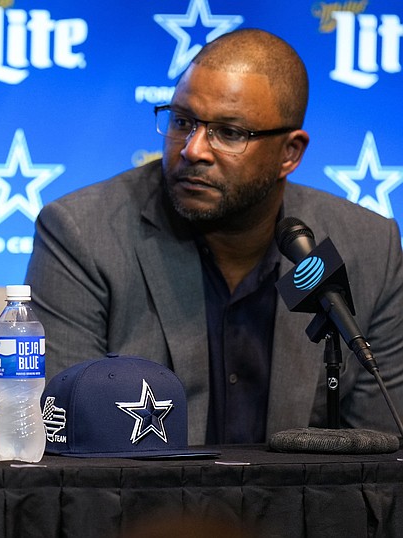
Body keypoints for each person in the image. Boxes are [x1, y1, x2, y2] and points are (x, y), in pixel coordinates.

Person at [25, 28, 403, 445]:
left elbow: (379, 450)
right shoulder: (81, 231)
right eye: (182, 121)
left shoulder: (372, 246)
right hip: (143, 507)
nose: (193, 150)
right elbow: (67, 434)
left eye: (229, 132)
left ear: (290, 153)